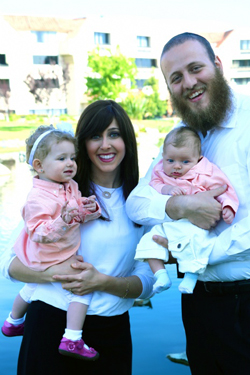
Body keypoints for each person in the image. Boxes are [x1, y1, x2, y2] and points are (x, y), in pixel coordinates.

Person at [126, 32, 250, 374]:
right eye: (176, 78)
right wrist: (179, 206)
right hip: (198, 305)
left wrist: (198, 253)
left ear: (218, 65)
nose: (189, 83)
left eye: (196, 68)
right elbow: (136, 204)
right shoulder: (183, 136)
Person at [0, 100, 154, 375]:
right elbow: (10, 265)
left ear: (127, 141)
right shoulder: (58, 193)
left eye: (114, 134)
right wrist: (54, 274)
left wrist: (103, 282)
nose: (105, 144)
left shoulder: (142, 200)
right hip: (50, 323)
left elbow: (148, 280)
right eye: (96, 136)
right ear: (81, 143)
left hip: (112, 331)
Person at [1, 124, 101, 360]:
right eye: (61, 158)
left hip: (56, 251)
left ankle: (13, 322)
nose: (70, 163)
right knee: (81, 288)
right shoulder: (37, 197)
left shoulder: (71, 186)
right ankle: (72, 339)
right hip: (46, 253)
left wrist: (89, 208)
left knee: (34, 286)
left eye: (72, 158)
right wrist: (65, 218)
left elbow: (78, 214)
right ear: (39, 165)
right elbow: (38, 233)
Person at [134, 126, 238, 294]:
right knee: (150, 239)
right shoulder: (161, 171)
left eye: (185, 162)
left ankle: (191, 277)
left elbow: (223, 189)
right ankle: (161, 275)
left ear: (198, 159)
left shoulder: (206, 173)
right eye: (171, 160)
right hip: (171, 224)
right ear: (163, 157)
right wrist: (167, 189)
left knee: (196, 246)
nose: (176, 166)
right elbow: (154, 185)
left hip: (194, 226)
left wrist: (228, 207)